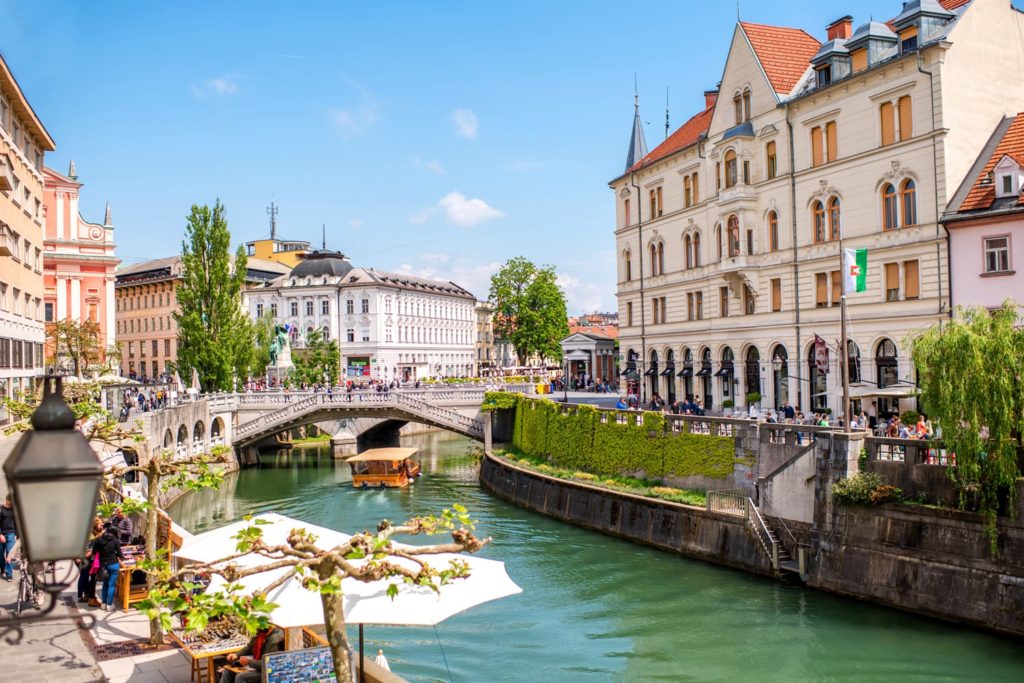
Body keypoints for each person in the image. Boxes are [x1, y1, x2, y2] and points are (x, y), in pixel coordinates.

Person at [220, 625, 285, 683]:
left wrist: (249, 662)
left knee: (241, 677)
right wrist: (236, 655)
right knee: (228, 671)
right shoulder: (261, 633)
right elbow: (249, 647)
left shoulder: (274, 639)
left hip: (268, 671)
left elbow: (268, 664)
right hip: (257, 665)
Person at [91, 522, 124, 611]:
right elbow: (120, 554)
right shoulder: (115, 541)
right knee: (111, 585)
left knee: (105, 584)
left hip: (103, 565)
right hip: (113, 564)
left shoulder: (98, 540)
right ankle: (109, 605)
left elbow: (94, 552)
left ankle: (103, 604)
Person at [0, 494, 17, 581]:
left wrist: (16, 535)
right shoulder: (1, 509)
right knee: (0, 555)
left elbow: (17, 523)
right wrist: (0, 535)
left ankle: (9, 573)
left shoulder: (14, 510)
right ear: (7, 500)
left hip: (11, 534)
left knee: (10, 554)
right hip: (2, 534)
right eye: (10, 501)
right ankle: (2, 567)